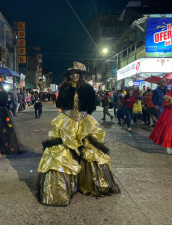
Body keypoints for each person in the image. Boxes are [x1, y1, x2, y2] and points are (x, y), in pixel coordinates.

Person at [37, 62, 120, 206]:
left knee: (90, 150)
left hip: (84, 120)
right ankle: (60, 188)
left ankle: (90, 183)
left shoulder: (88, 88)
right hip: (67, 121)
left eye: (76, 73)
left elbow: (92, 107)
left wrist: (82, 117)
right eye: (71, 73)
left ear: (81, 75)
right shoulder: (64, 87)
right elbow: (60, 105)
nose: (73, 75)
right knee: (61, 151)